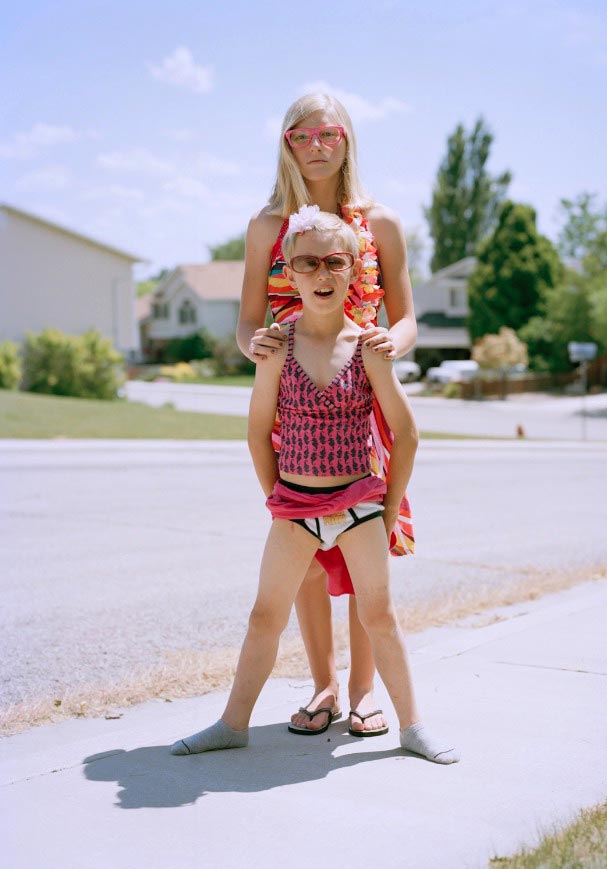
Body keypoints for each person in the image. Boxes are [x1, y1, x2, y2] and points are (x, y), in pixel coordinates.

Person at [171, 209, 459, 764]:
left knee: (380, 616)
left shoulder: (371, 348)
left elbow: (407, 433)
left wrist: (388, 506)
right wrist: (276, 500)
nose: (322, 272)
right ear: (291, 271)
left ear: (354, 269)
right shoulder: (275, 348)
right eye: (308, 262)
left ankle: (413, 727)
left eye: (335, 261)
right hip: (295, 507)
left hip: (359, 503)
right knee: (264, 616)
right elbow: (257, 433)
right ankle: (233, 723)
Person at [236, 93, 417, 737]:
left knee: (370, 547)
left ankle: (367, 692)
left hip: (362, 395)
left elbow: (405, 313)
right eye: (301, 134)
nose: (316, 144)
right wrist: (252, 347)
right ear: (286, 143)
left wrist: (395, 343)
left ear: (348, 140)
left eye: (329, 132)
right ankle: (324, 686)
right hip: (295, 399)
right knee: (306, 550)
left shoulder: (380, 221)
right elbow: (248, 320)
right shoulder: (266, 226)